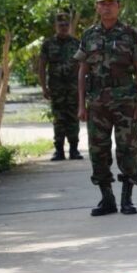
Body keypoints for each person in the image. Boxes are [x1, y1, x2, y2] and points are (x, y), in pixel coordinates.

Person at [75, 0, 137, 216]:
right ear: (97, 7)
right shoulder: (89, 35)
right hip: (97, 103)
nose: (107, 7)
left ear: (119, 6)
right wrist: (81, 105)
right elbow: (82, 70)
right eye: (102, 3)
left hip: (125, 101)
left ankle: (127, 199)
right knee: (98, 151)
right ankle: (107, 199)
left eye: (111, 3)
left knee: (128, 149)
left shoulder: (130, 34)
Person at [38, 11, 82, 161]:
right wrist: (44, 87)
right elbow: (42, 66)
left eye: (66, 25)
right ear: (55, 26)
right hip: (56, 88)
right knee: (59, 119)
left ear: (69, 26)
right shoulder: (48, 44)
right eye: (60, 25)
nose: (63, 27)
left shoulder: (76, 43)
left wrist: (83, 88)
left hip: (73, 88)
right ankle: (59, 151)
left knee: (73, 118)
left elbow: (82, 66)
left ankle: (74, 150)